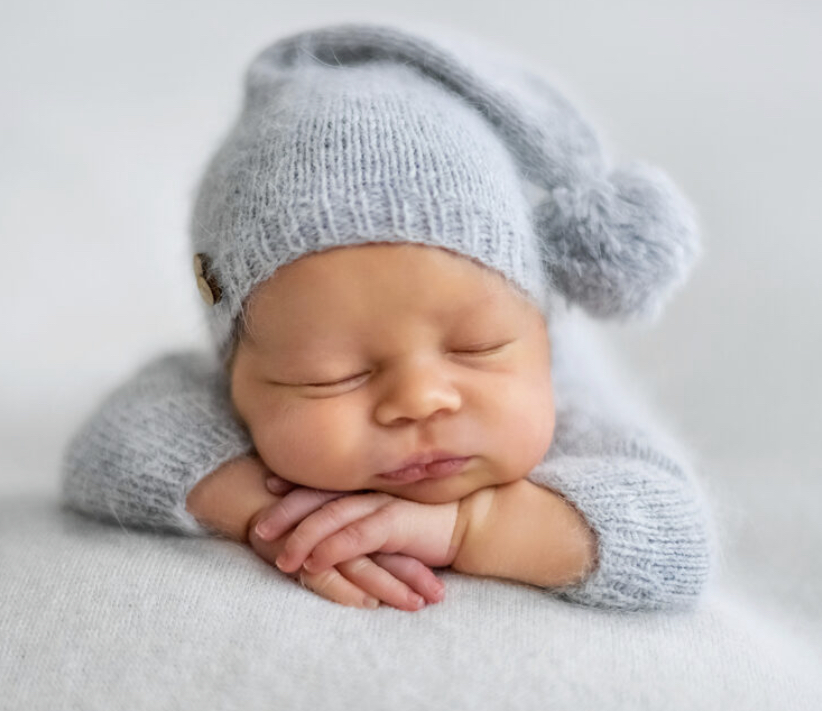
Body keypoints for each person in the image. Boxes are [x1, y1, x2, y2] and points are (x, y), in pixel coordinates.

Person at [61, 22, 715, 613]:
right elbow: (108, 446)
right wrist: (275, 514)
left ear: (539, 331)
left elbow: (677, 536)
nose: (418, 399)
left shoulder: (570, 403)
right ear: (236, 371)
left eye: (477, 346)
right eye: (331, 376)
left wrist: (470, 528)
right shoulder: (216, 391)